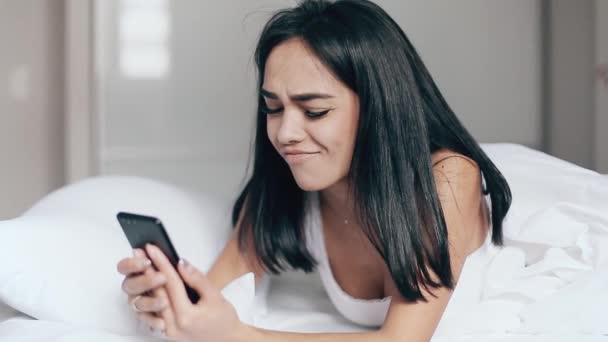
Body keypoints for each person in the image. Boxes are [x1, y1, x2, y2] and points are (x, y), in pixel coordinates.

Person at [116, 0, 512, 340]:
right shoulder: (291, 182)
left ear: (378, 107)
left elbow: (401, 339)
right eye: (273, 108)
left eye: (314, 111)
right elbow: (217, 291)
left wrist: (236, 335)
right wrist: (171, 303)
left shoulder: (448, 181)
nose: (285, 133)